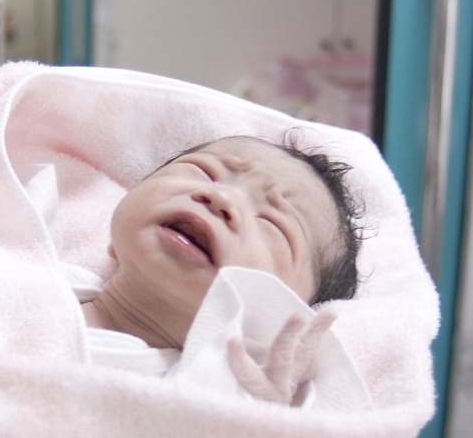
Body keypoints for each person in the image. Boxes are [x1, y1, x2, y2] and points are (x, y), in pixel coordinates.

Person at [71, 134, 362, 406]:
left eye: (272, 224)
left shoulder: (202, 400)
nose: (222, 198)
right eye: (204, 172)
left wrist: (255, 419)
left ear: (280, 312)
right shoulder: (49, 274)